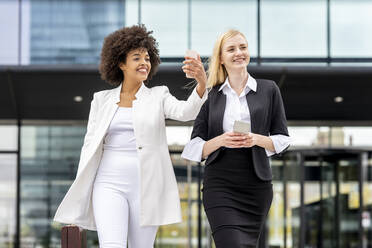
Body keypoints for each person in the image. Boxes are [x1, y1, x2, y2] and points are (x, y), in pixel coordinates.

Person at [54, 24, 207, 247]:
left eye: (147, 58)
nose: (144, 63)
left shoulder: (159, 95)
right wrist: (83, 185)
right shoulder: (101, 100)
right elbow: (89, 146)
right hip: (107, 183)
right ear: (120, 63)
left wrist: (202, 82)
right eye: (136, 58)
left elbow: (186, 112)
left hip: (146, 187)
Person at [181, 29, 291, 247]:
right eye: (231, 49)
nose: (239, 52)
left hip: (256, 186)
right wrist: (221, 140)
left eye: (243, 47)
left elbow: (282, 139)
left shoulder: (269, 90)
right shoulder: (212, 95)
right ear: (221, 58)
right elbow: (194, 147)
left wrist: (255, 139)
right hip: (220, 184)